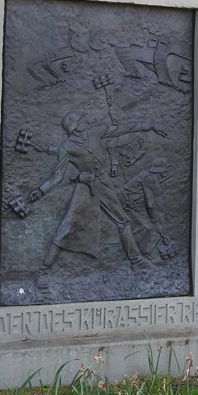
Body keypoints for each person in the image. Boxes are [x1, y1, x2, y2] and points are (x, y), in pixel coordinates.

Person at [27, 111, 155, 289]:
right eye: (80, 119)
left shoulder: (96, 132)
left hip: (103, 183)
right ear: (75, 126)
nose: (84, 120)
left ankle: (137, 261)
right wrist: (40, 191)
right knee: (67, 226)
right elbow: (57, 177)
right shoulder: (67, 147)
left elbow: (119, 129)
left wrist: (145, 124)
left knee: (122, 221)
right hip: (84, 188)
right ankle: (44, 270)